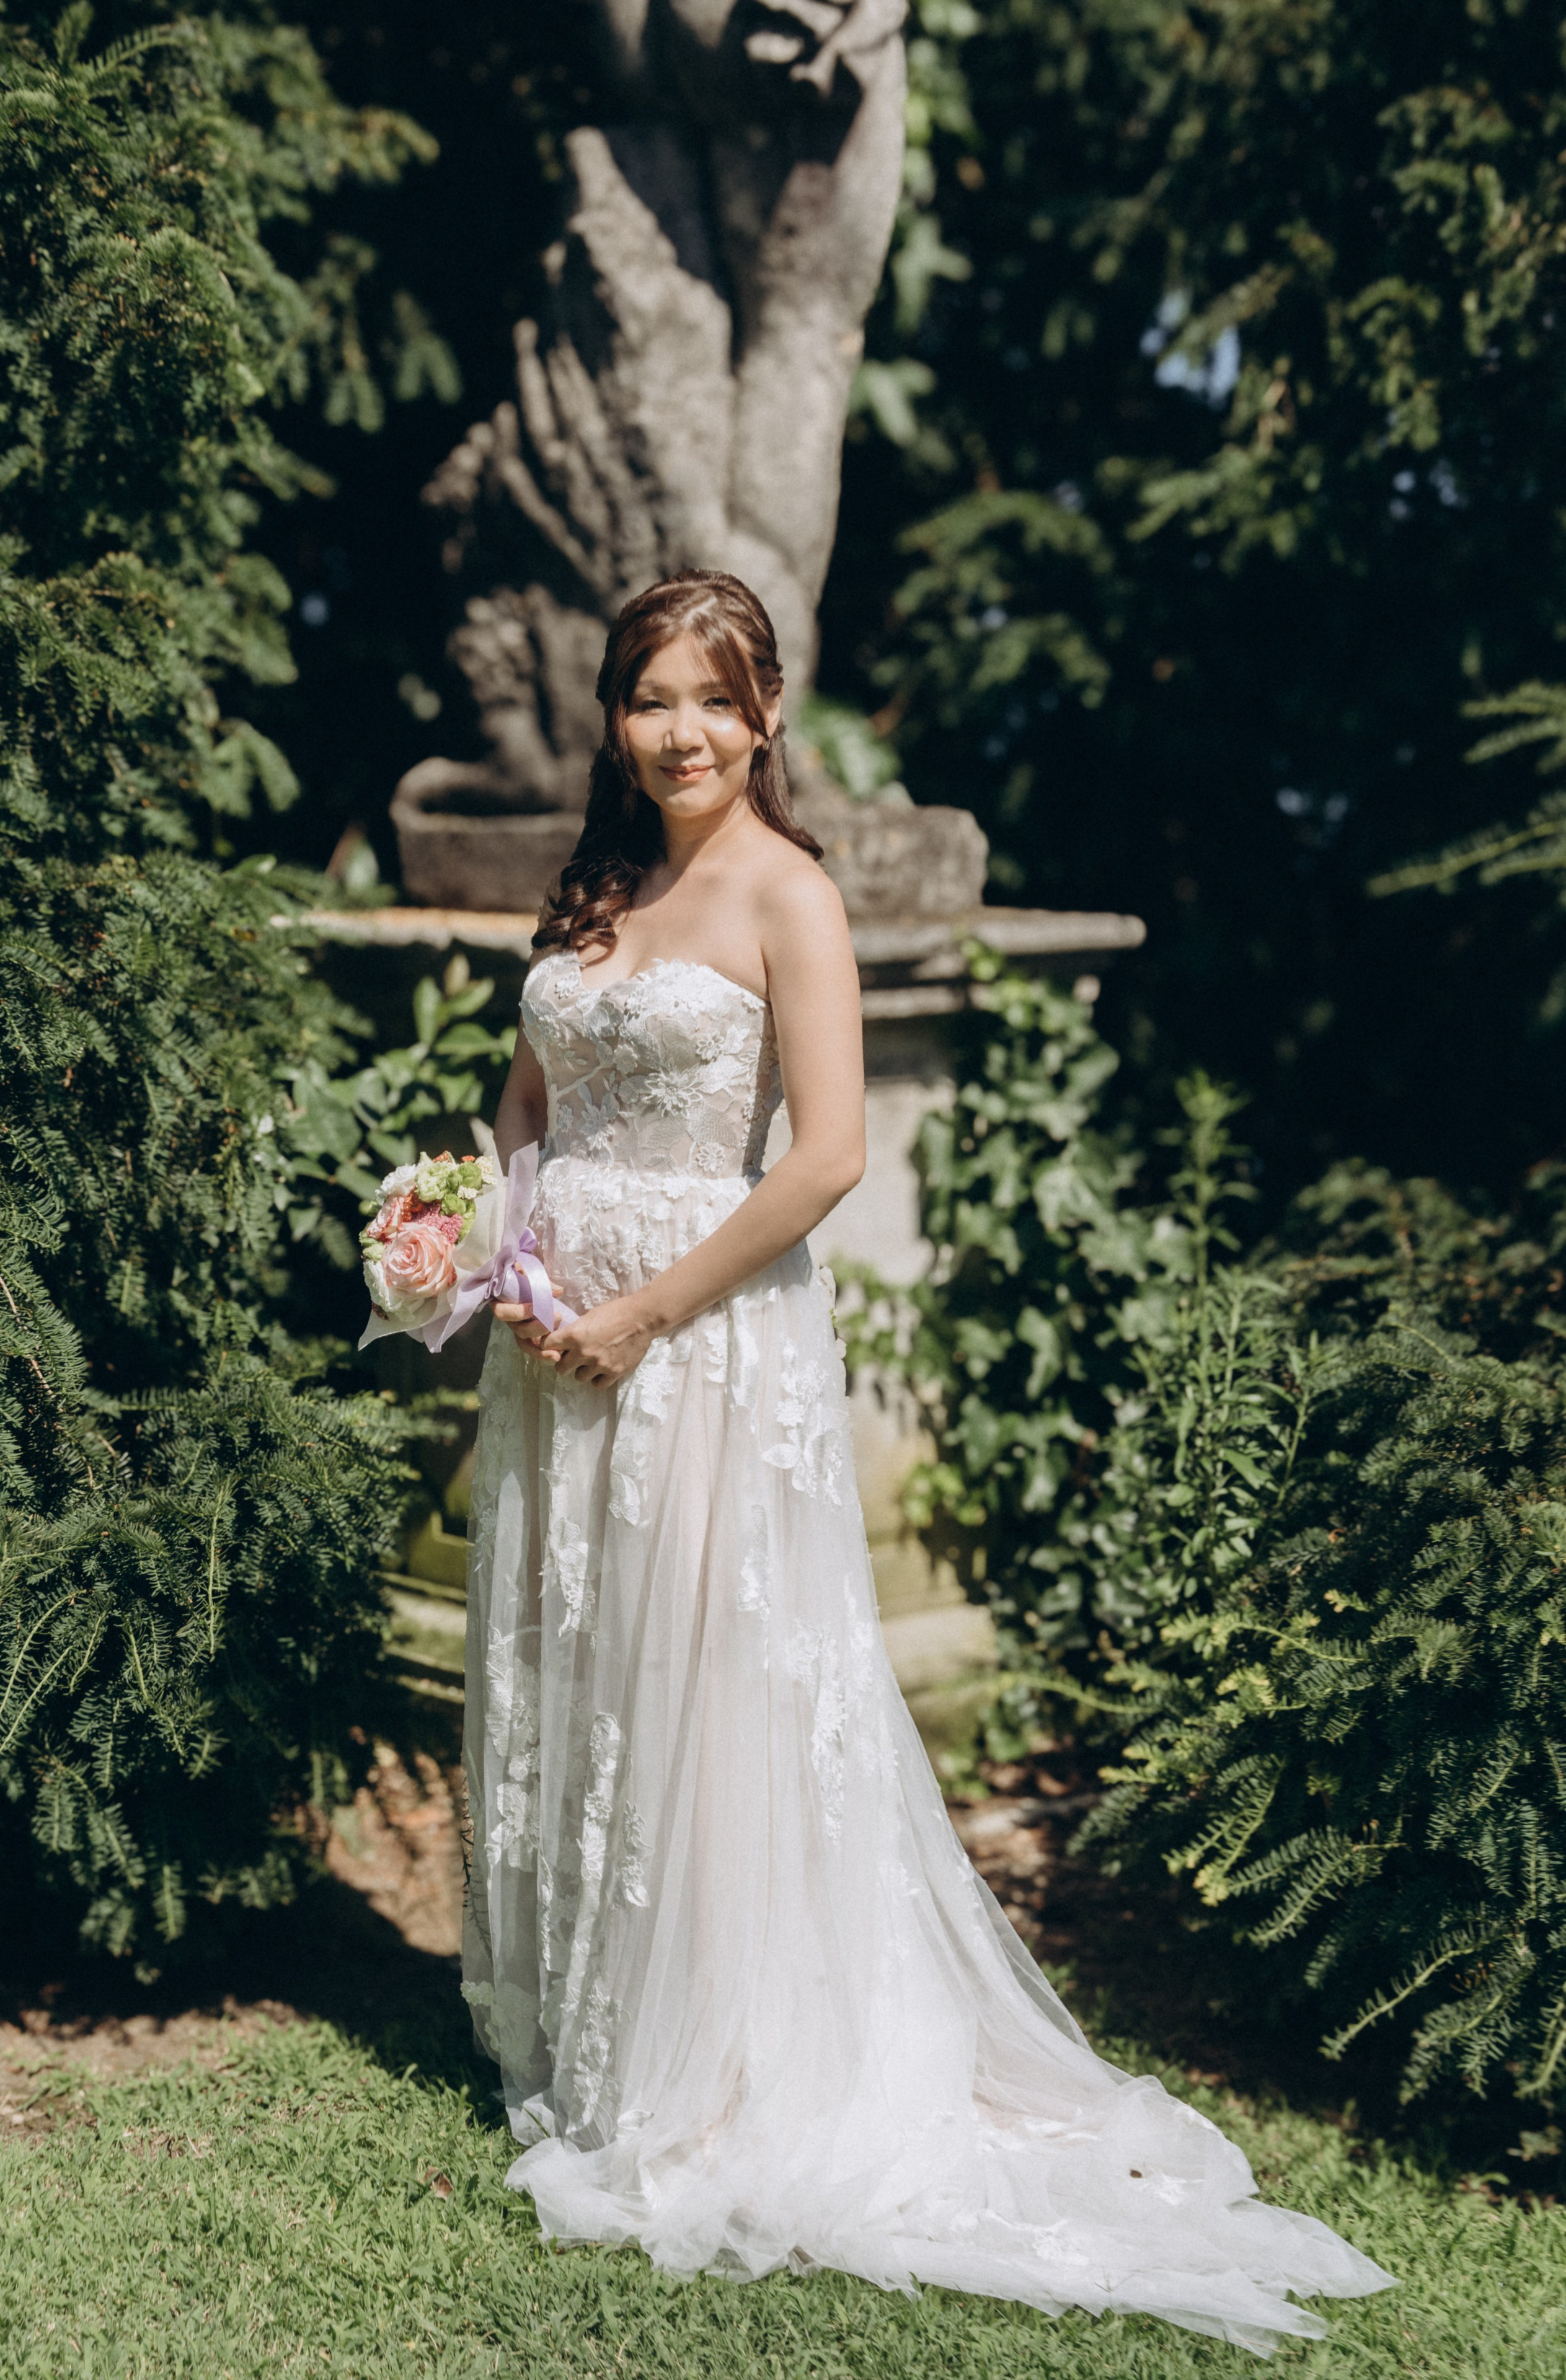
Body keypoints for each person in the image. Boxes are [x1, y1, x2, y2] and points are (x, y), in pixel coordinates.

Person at [460, 568, 1394, 2351]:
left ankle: (726, 2074)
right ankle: (598, 2027)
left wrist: (645, 1309)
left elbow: (822, 1164)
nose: (678, 731)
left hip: (699, 1343)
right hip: (554, 1347)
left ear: (768, 715)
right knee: (590, 1667)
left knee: (707, 1688)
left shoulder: (789, 895)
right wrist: (487, 1240)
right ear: (612, 715)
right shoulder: (600, 889)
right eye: (648, 697)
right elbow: (529, 1098)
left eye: (709, 700)